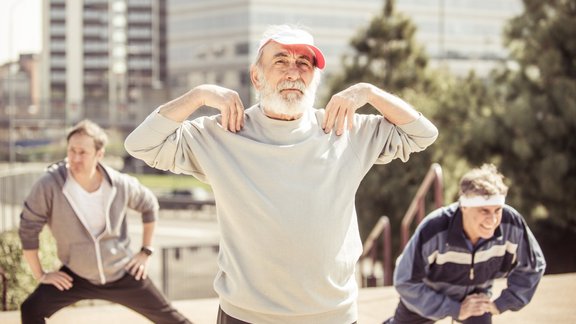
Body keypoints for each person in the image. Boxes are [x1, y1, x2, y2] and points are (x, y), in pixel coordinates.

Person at [124, 24, 438, 324]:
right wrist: (199, 95)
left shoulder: (345, 129)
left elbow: (422, 134)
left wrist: (368, 92)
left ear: (315, 78)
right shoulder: (221, 134)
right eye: (280, 61)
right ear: (256, 77)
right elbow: (141, 145)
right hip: (245, 316)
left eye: (304, 63)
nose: (293, 72)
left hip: (333, 315)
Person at [18, 120, 191, 324]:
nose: (75, 158)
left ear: (99, 154)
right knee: (31, 309)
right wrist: (41, 274)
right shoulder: (50, 184)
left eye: (83, 152)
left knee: (172, 319)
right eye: (71, 150)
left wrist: (146, 250)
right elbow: (28, 228)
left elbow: (149, 205)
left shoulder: (119, 183)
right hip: (76, 275)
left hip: (122, 272)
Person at [386, 163, 546, 324]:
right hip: (429, 294)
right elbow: (404, 280)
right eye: (484, 211)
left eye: (497, 210)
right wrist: (454, 309)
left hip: (476, 298)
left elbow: (533, 265)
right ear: (464, 208)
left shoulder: (512, 223)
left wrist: (502, 303)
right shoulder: (433, 229)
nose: (492, 220)